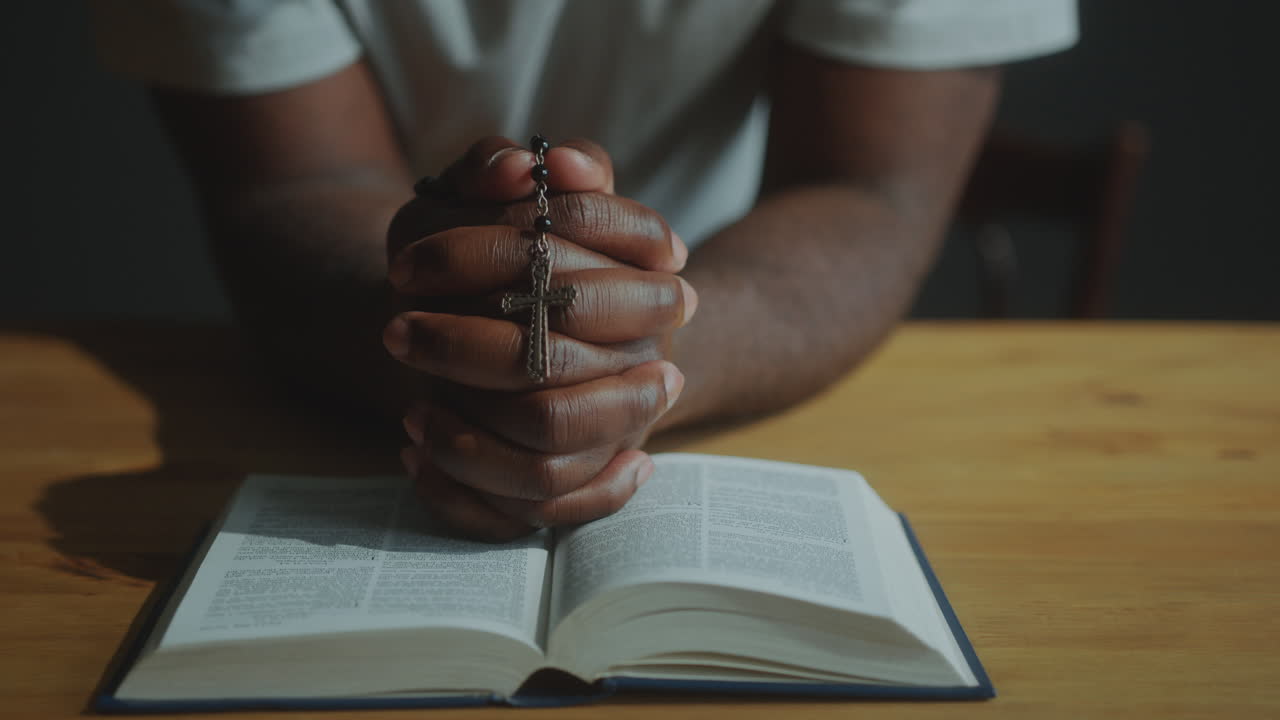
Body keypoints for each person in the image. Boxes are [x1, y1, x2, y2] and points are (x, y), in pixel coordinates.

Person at [90, 0, 1076, 539]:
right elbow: (289, 183)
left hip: (742, 356)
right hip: (360, 370)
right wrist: (439, 333)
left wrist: (643, 352)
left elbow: (868, 191)